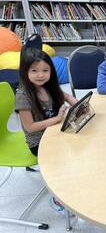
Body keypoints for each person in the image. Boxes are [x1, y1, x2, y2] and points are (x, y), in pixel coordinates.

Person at [15, 48, 78, 216]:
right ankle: (57, 199)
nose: (40, 75)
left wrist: (75, 101)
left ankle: (74, 186)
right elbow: (30, 127)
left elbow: (65, 96)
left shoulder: (48, 86)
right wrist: (57, 118)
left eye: (45, 70)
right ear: (25, 71)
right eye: (34, 71)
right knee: (66, 158)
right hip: (38, 142)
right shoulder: (23, 95)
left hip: (54, 132)